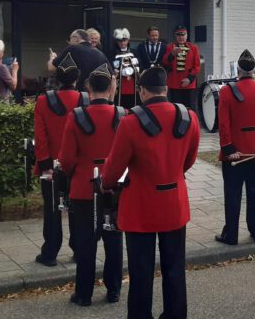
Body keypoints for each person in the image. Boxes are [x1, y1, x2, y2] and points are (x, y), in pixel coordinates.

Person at [103, 67, 200, 319]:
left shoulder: (130, 122)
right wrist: (172, 172)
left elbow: (114, 169)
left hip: (140, 207)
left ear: (142, 91)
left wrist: (106, 183)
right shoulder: (189, 117)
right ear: (165, 89)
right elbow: (189, 159)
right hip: (174, 203)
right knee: (175, 268)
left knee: (140, 270)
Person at [57, 64, 124, 306]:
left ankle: (83, 294)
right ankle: (114, 290)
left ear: (88, 88)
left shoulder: (76, 116)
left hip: (83, 187)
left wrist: (72, 173)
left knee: (85, 242)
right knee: (114, 241)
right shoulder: (122, 114)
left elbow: (66, 159)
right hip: (113, 187)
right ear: (111, 88)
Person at [215, 50, 255, 246]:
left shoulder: (226, 92)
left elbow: (223, 124)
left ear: (238, 71)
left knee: (233, 194)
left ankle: (231, 235)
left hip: (235, 154)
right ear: (254, 71)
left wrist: (229, 149)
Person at [33, 54, 88, 268]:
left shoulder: (43, 100)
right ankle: (79, 250)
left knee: (52, 210)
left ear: (57, 77)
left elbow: (41, 137)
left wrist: (45, 164)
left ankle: (50, 252)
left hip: (52, 164)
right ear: (77, 79)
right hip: (77, 165)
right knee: (78, 209)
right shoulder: (85, 100)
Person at [163, 25, 201, 107]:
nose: (181, 37)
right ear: (175, 36)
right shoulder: (170, 47)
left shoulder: (194, 48)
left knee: (190, 107)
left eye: (183, 35)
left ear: (187, 35)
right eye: (178, 35)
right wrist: (172, 54)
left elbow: (197, 66)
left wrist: (189, 79)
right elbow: (165, 63)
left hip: (189, 84)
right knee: (175, 107)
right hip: (174, 83)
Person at [111, 29, 139, 108]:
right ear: (117, 42)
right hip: (119, 85)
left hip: (132, 84)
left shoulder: (134, 52)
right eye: (120, 41)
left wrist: (134, 69)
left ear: (128, 40)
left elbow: (139, 65)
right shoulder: (112, 53)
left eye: (124, 40)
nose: (122, 43)